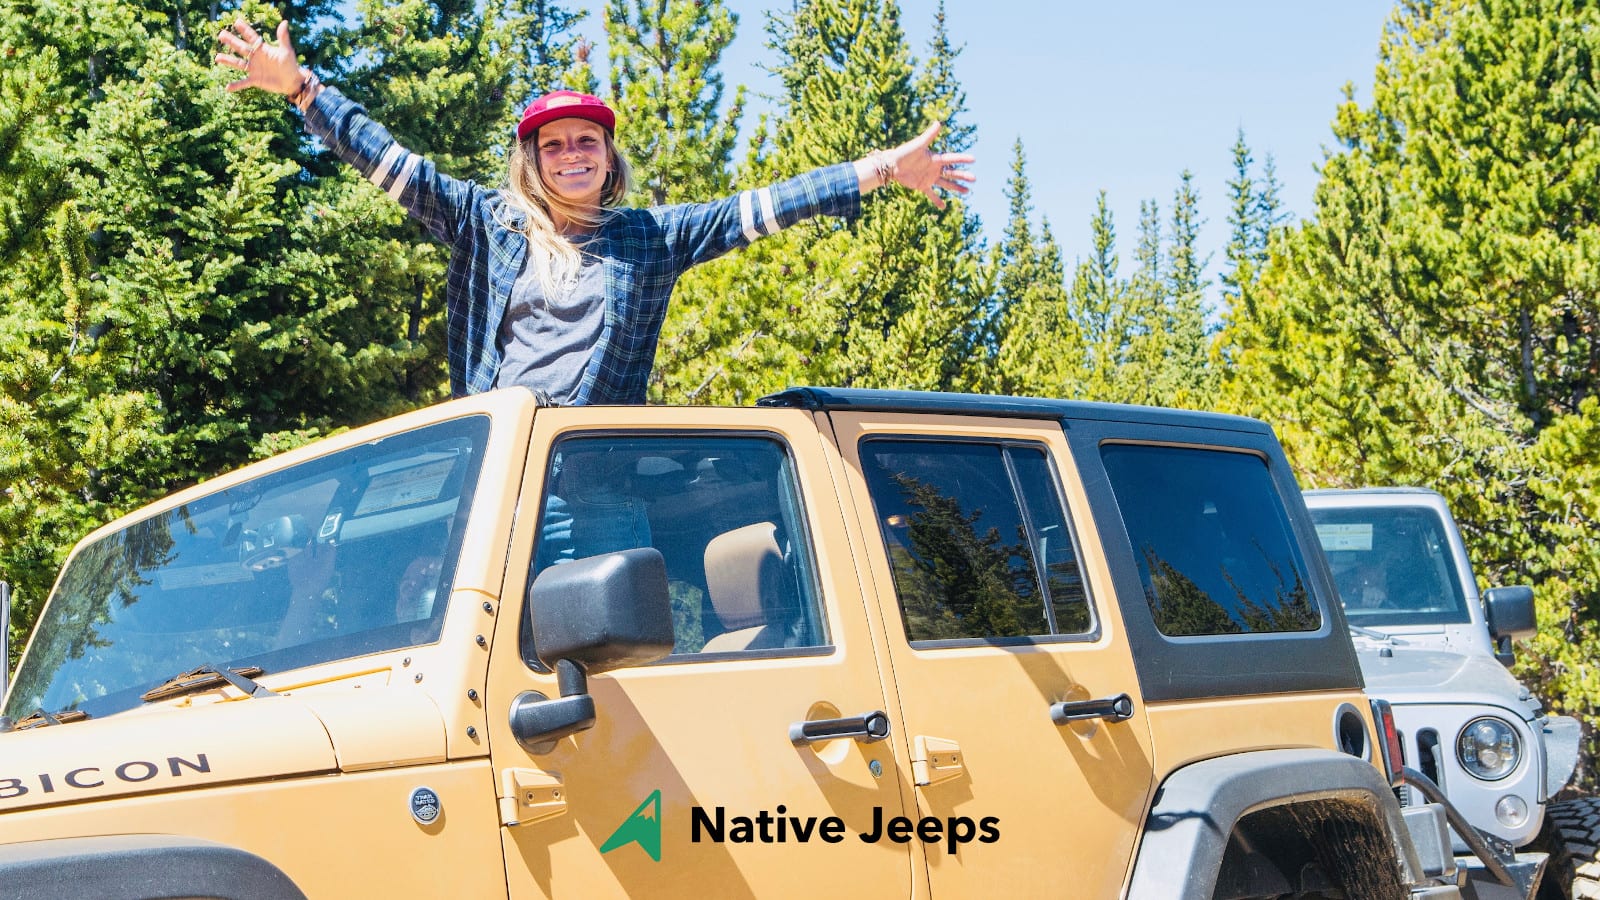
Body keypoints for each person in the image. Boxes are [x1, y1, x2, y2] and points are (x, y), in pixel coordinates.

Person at [215, 17, 976, 405]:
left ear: (609, 158)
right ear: (532, 160)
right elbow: (388, 161)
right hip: (503, 463)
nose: (572, 153)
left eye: (587, 140)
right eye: (554, 145)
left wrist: (882, 170)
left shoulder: (650, 239)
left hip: (596, 469)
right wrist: (303, 89)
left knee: (608, 649)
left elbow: (768, 206)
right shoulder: (487, 221)